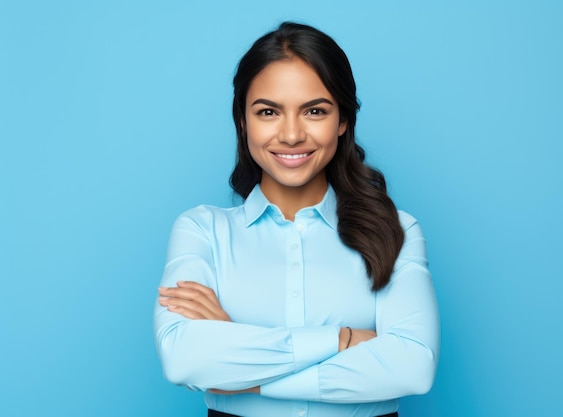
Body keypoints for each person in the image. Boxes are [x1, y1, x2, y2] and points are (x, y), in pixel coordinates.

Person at [154, 21, 440, 417]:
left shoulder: (397, 230)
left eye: (315, 111)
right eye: (268, 111)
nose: (291, 135)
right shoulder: (202, 231)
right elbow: (185, 360)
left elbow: (412, 368)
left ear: (342, 121)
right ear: (243, 120)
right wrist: (340, 339)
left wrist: (244, 370)